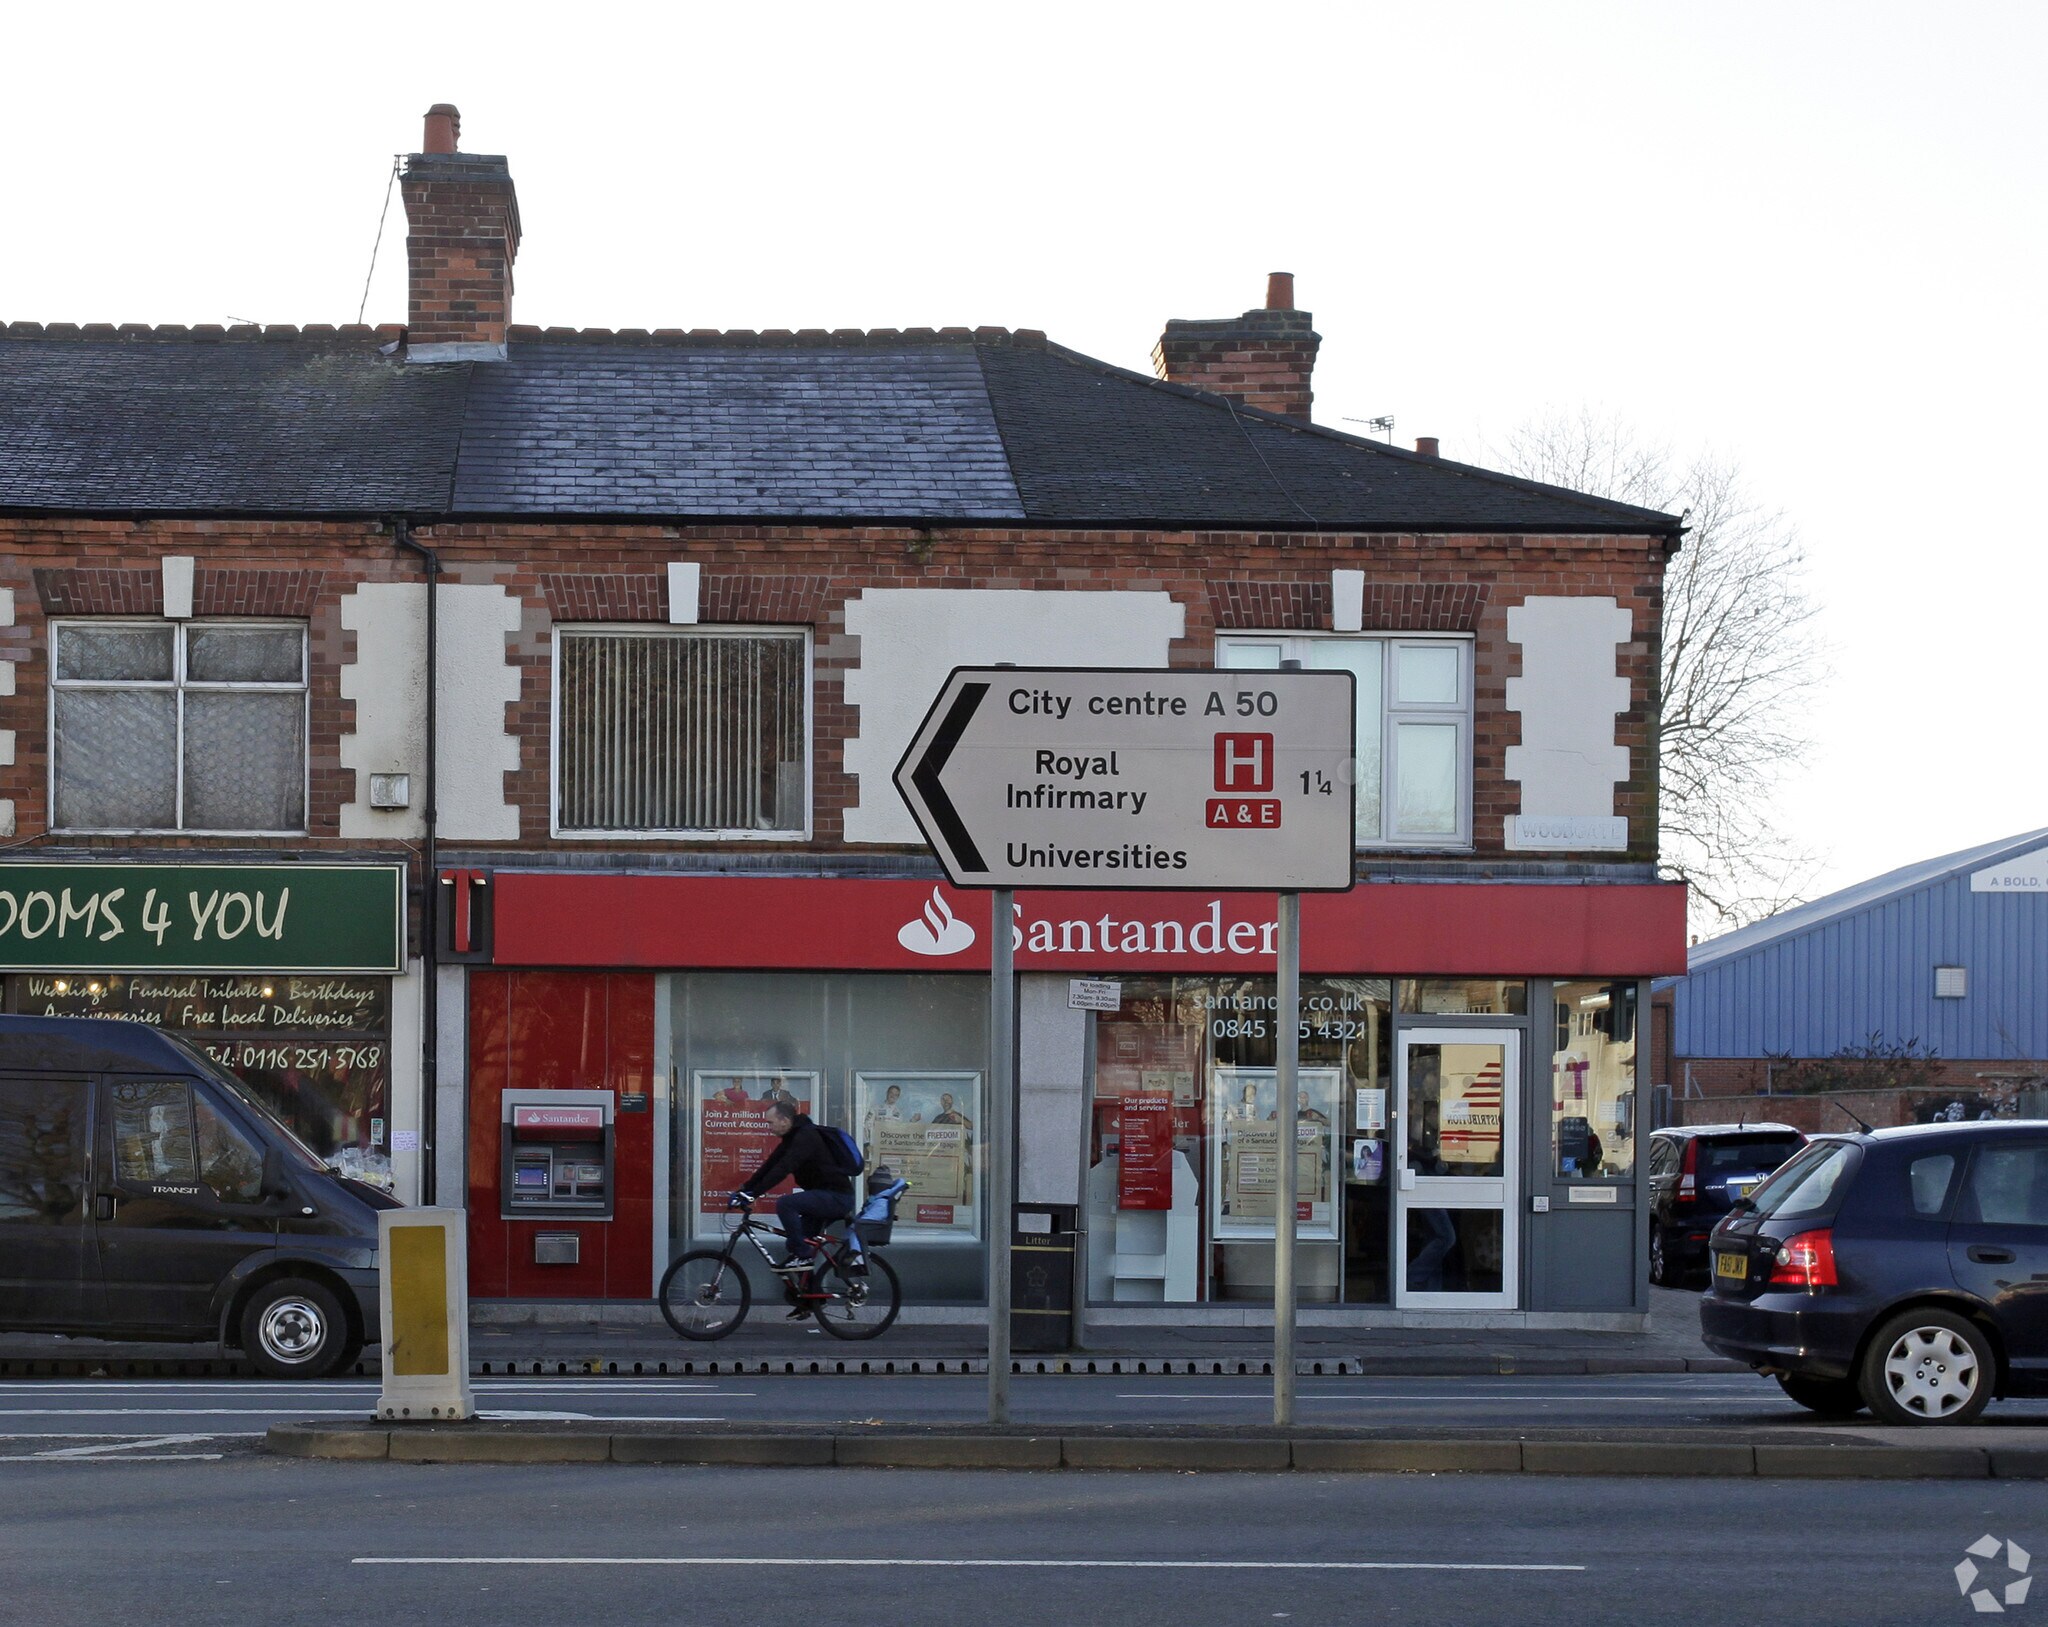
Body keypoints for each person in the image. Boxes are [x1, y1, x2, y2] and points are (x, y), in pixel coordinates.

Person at [733, 1100, 855, 1310]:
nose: (769, 1128)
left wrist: (753, 1196)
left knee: (786, 1205)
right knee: (796, 1243)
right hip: (824, 1195)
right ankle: (811, 1300)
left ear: (785, 1120)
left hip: (837, 1197)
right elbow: (769, 1166)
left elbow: (783, 1169)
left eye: (771, 1123)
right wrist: (745, 1189)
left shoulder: (805, 1137)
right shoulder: (791, 1138)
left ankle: (803, 1256)